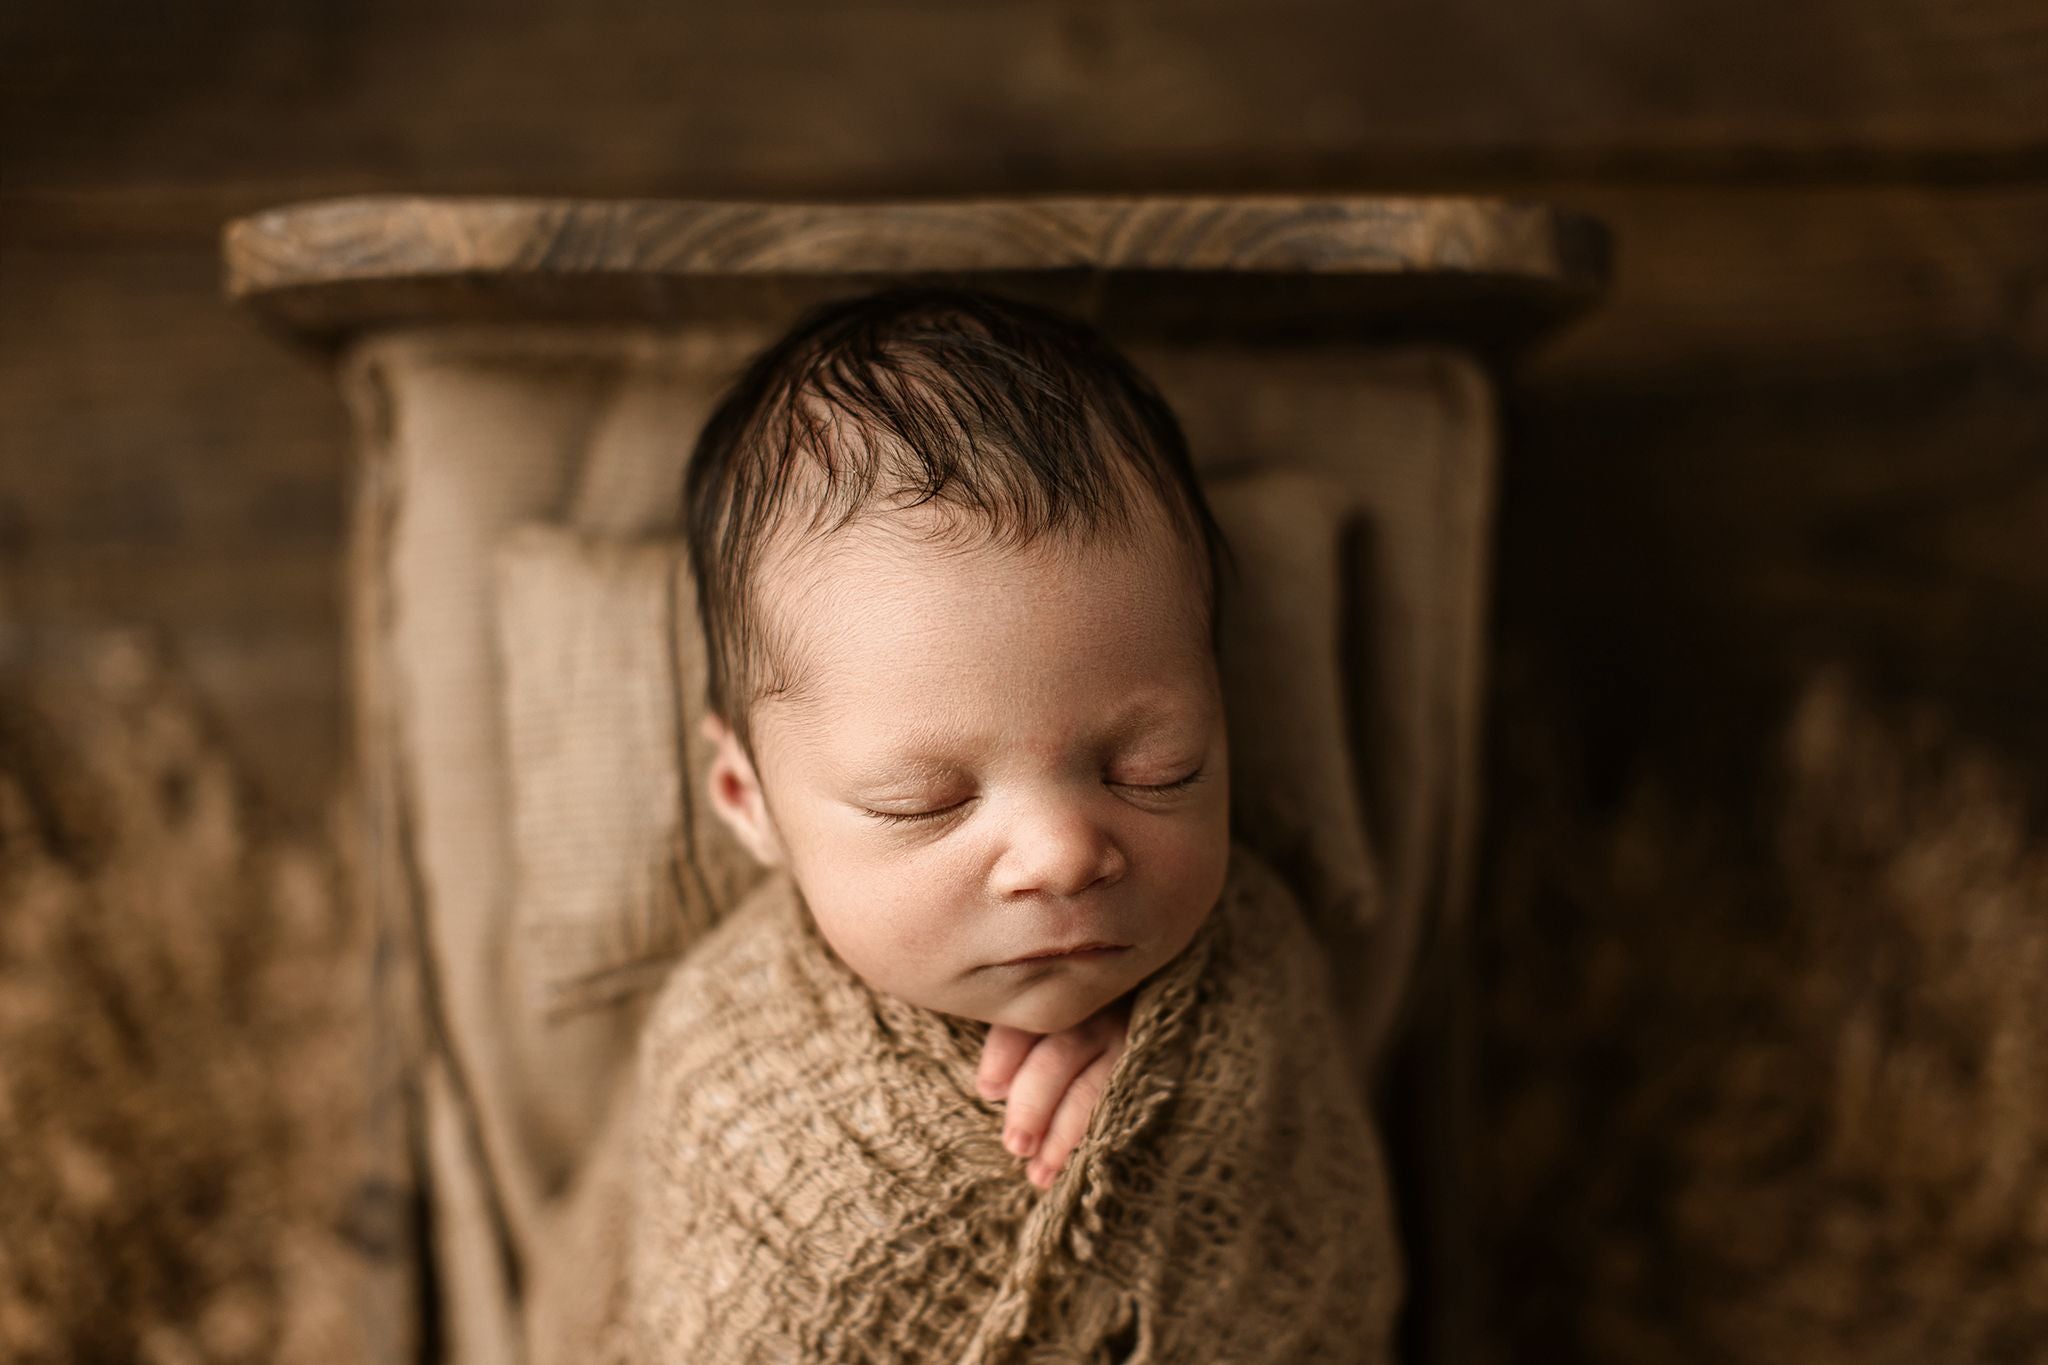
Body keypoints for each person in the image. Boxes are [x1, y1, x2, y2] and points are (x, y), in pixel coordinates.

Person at [536, 284, 1399, 1363]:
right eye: (924, 801)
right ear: (746, 804)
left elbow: (1320, 1251)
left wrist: (1173, 1082)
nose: (1062, 854)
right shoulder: (733, 1071)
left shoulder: (1257, 967)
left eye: (1153, 768)